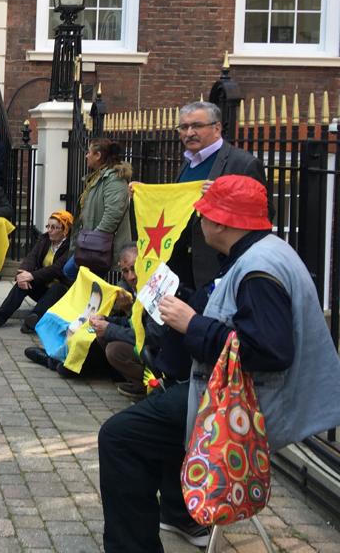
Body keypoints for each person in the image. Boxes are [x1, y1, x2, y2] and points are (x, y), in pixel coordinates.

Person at [98, 175, 340, 552]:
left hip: (247, 408)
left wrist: (192, 324)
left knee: (120, 437)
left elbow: (268, 351)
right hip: (235, 396)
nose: (201, 222)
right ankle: (178, 514)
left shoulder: (259, 269)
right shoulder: (263, 252)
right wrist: (189, 304)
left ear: (223, 223)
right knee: (157, 415)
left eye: (205, 216)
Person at [168, 100, 269, 291]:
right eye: (184, 127)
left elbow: (263, 216)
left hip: (218, 267)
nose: (189, 133)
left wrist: (224, 195)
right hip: (182, 269)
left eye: (197, 126)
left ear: (217, 128)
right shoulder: (188, 162)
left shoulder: (243, 163)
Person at [0, 210, 73, 330]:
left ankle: (32, 320)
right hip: (44, 287)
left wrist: (32, 275)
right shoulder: (45, 239)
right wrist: (22, 274)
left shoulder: (71, 247)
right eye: (48, 226)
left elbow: (57, 269)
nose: (49, 230)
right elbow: (31, 258)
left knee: (57, 288)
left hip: (61, 292)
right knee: (22, 283)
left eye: (54, 227)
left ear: (65, 230)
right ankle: (1, 315)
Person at [63, 138, 132, 283]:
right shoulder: (98, 177)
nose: (86, 156)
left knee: (71, 272)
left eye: (89, 152)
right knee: (81, 277)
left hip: (101, 246)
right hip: (92, 242)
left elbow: (113, 215)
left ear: (98, 155)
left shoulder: (114, 179)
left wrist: (93, 242)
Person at [89, 244, 144, 398]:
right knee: (101, 333)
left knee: (114, 350)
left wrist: (110, 327)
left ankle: (145, 385)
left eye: (134, 268)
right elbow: (130, 322)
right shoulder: (127, 290)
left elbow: (144, 335)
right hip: (140, 343)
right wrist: (106, 320)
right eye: (126, 271)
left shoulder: (151, 289)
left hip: (154, 350)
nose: (131, 276)